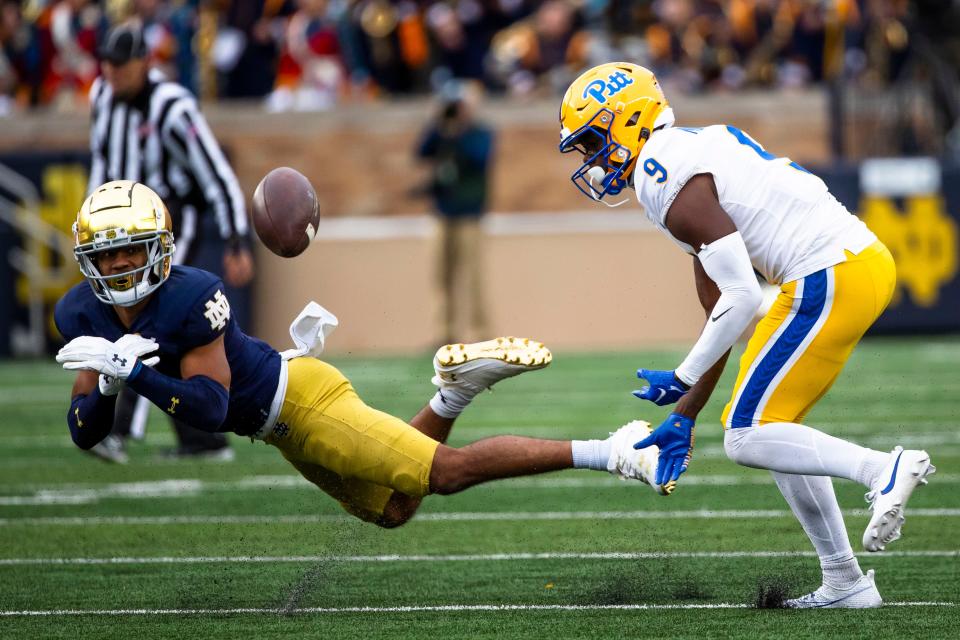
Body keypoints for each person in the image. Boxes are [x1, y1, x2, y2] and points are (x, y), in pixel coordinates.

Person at [54, 180, 667, 527]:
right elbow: (84, 433)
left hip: (302, 399)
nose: (121, 265)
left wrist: (134, 372)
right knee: (396, 509)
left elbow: (209, 409)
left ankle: (613, 450)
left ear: (158, 247)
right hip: (278, 427)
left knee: (444, 473)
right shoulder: (82, 314)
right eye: (108, 255)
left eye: (131, 249)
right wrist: (107, 387)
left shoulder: (193, 294)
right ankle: (455, 390)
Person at [557, 62, 935, 608]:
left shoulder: (661, 173)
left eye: (593, 139)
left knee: (745, 434)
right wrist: (686, 412)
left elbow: (741, 299)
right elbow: (718, 305)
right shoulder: (685, 151)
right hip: (852, 265)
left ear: (628, 120)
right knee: (772, 430)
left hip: (829, 271)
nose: (591, 159)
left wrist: (682, 376)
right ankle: (845, 581)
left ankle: (882, 469)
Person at [86, 22, 255, 462]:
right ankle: (201, 439)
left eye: (121, 65)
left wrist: (236, 238)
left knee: (150, 323)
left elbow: (217, 175)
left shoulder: (172, 108)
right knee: (162, 333)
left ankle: (119, 428)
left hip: (170, 225)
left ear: (145, 62)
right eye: (107, 64)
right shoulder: (102, 98)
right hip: (119, 231)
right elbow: (101, 164)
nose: (113, 74)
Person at [416, 81, 493, 345]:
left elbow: (478, 157)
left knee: (472, 277)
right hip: (441, 213)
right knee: (440, 276)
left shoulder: (480, 133)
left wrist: (459, 130)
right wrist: (437, 123)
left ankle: (478, 334)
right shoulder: (440, 133)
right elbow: (421, 152)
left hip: (470, 215)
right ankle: (444, 333)